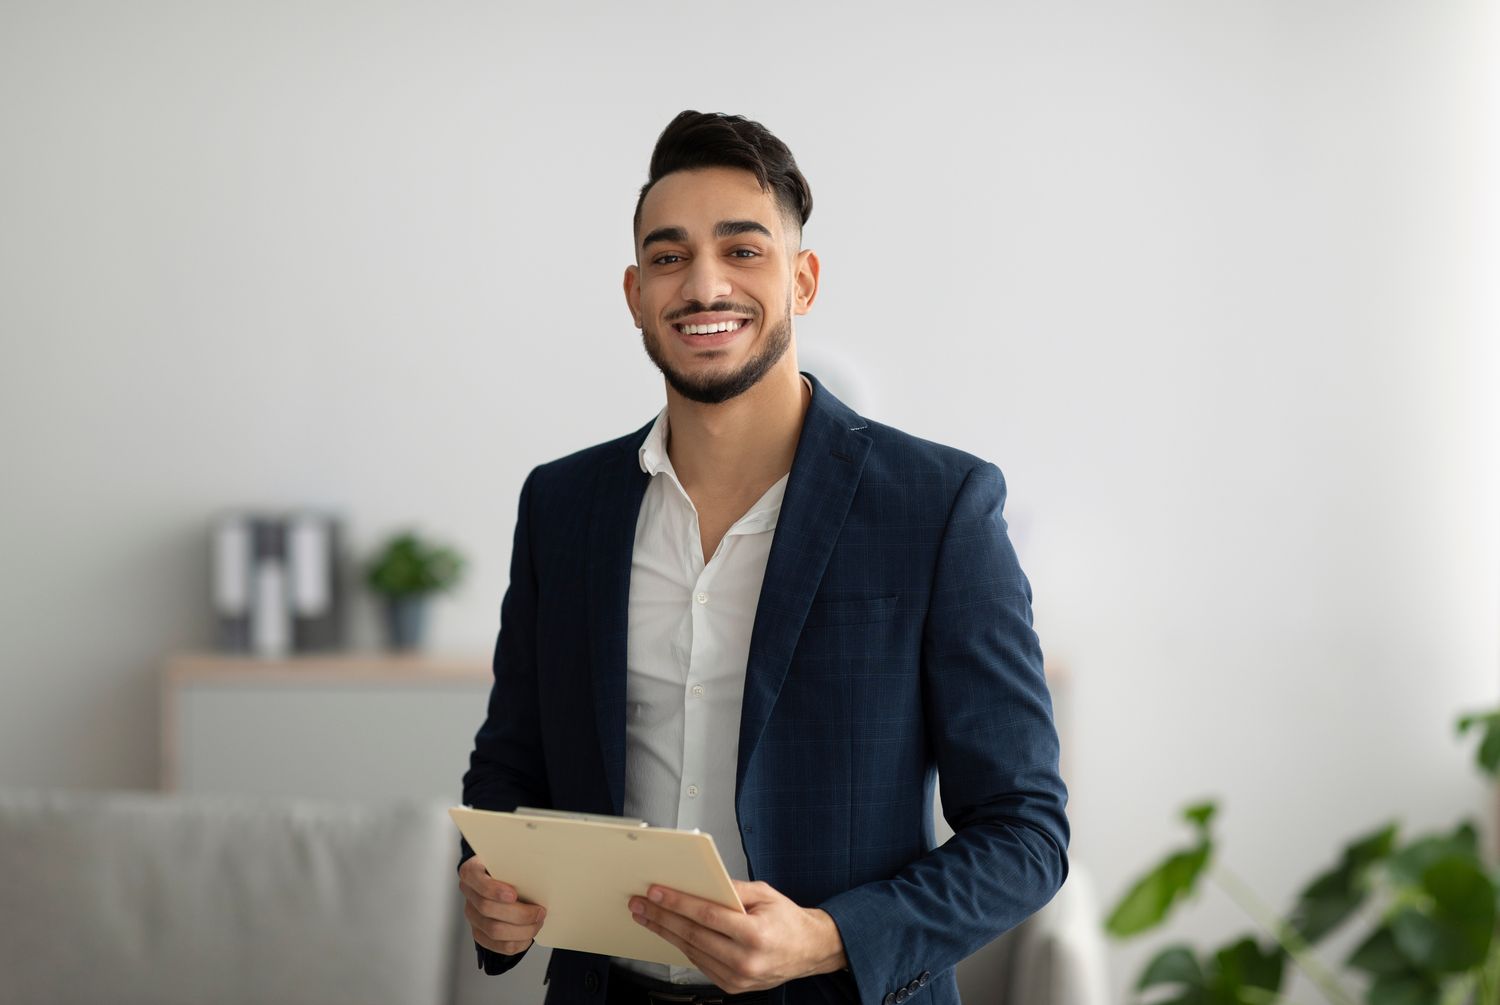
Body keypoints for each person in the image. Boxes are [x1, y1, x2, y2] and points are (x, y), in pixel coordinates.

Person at [458, 109, 1069, 1005]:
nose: (704, 285)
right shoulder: (562, 506)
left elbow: (1025, 834)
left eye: (743, 250)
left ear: (803, 280)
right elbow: (510, 768)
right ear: (635, 293)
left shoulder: (939, 507)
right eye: (669, 257)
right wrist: (489, 881)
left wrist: (827, 937)